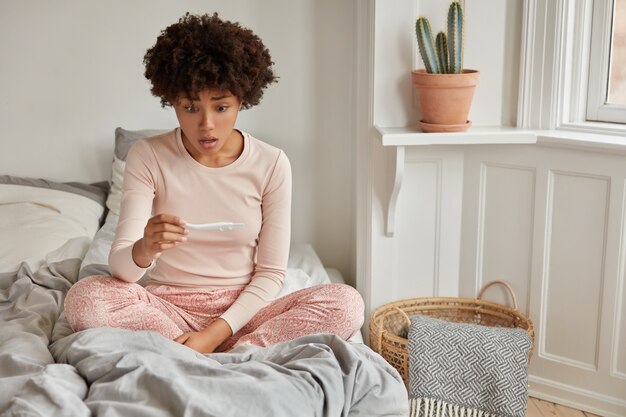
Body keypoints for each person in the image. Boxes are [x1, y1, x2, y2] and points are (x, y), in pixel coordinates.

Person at [64, 13, 364, 354]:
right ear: (172, 101)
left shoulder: (272, 163)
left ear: (241, 100)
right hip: (167, 310)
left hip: (245, 313)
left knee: (346, 302)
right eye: (190, 107)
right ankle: (225, 353)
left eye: (221, 107)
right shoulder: (147, 155)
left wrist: (213, 335)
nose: (206, 125)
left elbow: (269, 275)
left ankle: (218, 352)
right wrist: (144, 248)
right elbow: (122, 270)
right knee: (85, 299)